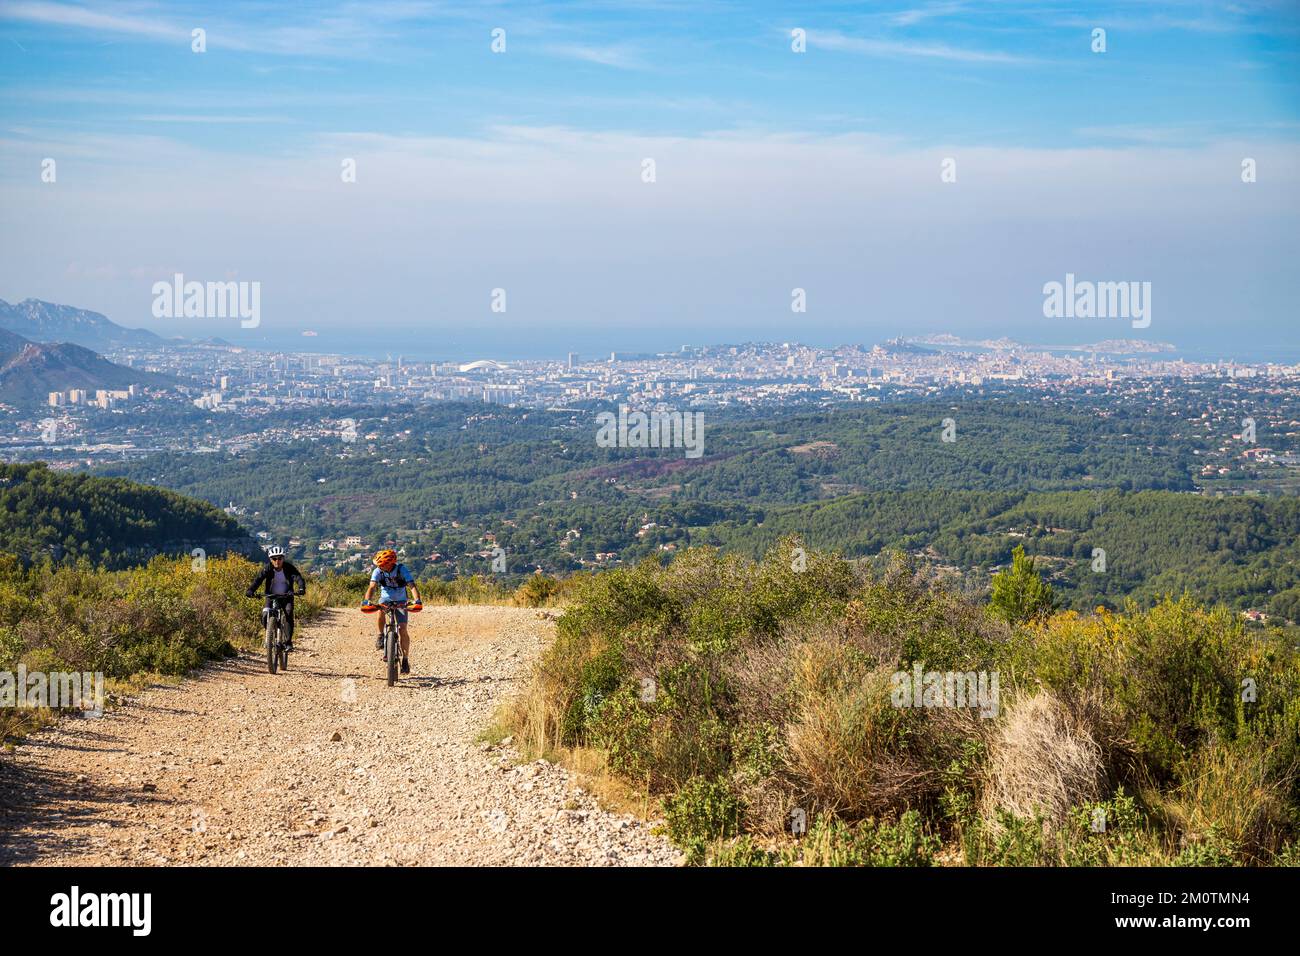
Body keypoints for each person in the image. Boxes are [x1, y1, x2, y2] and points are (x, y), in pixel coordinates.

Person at [362, 549, 421, 674]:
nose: (380, 567)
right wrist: (366, 601)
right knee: (380, 610)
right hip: (385, 598)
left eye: (382, 564)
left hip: (401, 600)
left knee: (402, 629)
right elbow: (372, 587)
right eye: (379, 565)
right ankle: (380, 635)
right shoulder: (378, 571)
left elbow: (412, 586)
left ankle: (405, 659)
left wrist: (417, 601)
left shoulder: (401, 570)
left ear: (390, 563)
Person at [246, 545, 307, 650]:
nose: (277, 561)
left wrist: (301, 588)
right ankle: (270, 636)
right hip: (271, 596)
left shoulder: (289, 568)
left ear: (283, 558)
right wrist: (251, 590)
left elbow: (298, 578)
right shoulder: (267, 568)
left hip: (286, 596)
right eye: (274, 559)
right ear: (271, 560)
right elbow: (258, 580)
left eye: (280, 558)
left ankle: (288, 642)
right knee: (265, 614)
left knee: (288, 613)